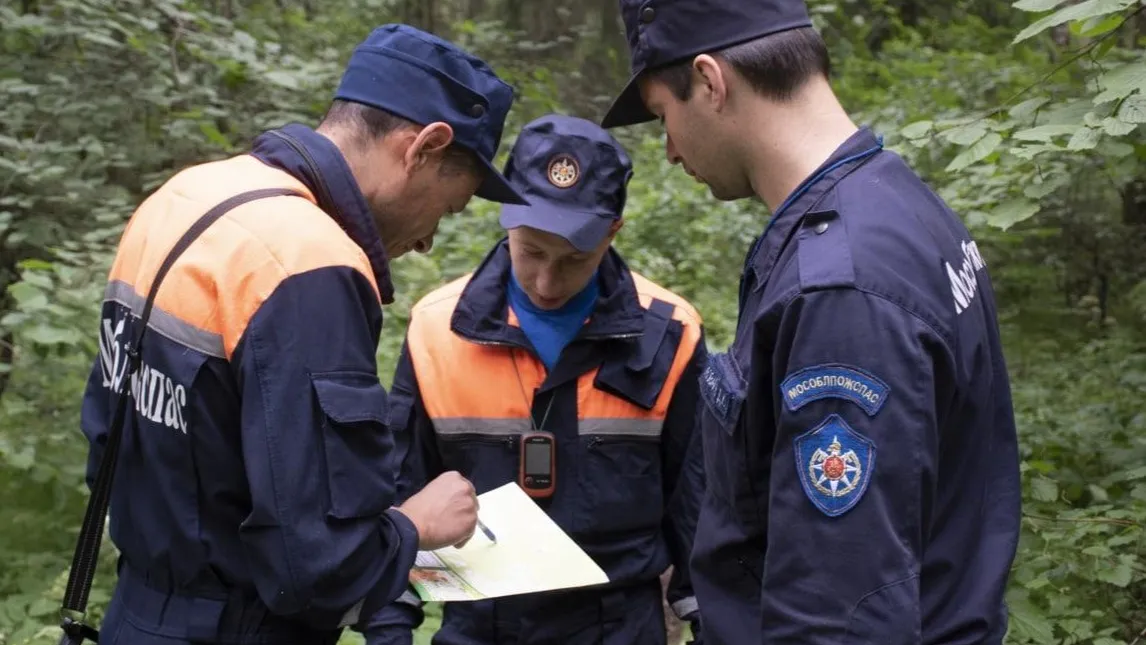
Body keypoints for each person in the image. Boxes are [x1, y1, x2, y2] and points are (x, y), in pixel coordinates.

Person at [78, 23, 528, 645]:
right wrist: (415, 526)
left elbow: (107, 433)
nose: (428, 239)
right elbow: (318, 568)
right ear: (425, 147)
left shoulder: (187, 198)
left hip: (139, 610)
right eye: (446, 208)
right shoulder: (307, 265)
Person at [599, 1, 1023, 643]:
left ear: (710, 81)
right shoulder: (899, 204)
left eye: (664, 116)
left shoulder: (841, 288)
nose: (671, 151)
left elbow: (840, 615)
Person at [357, 113, 708, 645]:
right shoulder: (437, 328)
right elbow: (401, 499)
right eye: (532, 251)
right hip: (481, 629)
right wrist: (389, 632)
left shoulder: (671, 334)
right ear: (506, 221)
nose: (546, 281)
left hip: (620, 627)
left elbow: (699, 510)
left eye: (573, 259)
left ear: (613, 231)